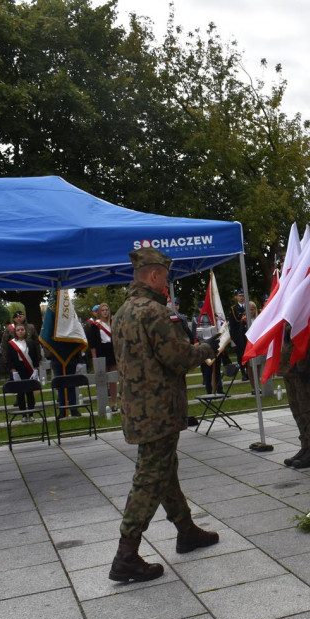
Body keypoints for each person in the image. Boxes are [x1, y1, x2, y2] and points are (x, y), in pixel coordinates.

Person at [109, 247, 217, 583]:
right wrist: (207, 349)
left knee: (164, 469)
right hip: (158, 410)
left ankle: (186, 530)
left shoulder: (122, 312)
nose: (166, 282)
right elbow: (176, 356)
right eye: (165, 276)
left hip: (138, 409)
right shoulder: (153, 312)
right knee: (149, 478)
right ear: (154, 275)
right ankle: (126, 554)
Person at [280, 327, 310, 469]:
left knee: (309, 410)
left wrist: (303, 366)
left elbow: (308, 337)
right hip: (291, 371)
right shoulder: (289, 316)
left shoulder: (304, 314)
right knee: (298, 410)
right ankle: (305, 446)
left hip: (303, 371)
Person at [4, 323, 42, 422]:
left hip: (29, 369)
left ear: (25, 331)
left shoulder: (31, 343)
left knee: (30, 393)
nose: (20, 331)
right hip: (17, 370)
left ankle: (31, 414)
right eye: (18, 330)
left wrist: (35, 369)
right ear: (15, 332)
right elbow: (9, 358)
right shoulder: (11, 344)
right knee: (20, 393)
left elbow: (35, 356)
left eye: (22, 329)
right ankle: (23, 415)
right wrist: (13, 371)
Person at [86, 302, 118, 411]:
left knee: (113, 379)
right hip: (101, 353)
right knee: (102, 380)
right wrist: (94, 358)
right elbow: (93, 344)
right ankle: (104, 404)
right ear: (99, 312)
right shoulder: (95, 325)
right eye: (103, 310)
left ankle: (114, 403)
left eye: (107, 310)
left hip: (112, 352)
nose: (105, 312)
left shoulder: (113, 323)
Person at [228, 289, 249, 380]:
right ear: (236, 297)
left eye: (242, 295)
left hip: (248, 334)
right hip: (239, 336)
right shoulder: (233, 309)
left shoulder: (249, 306)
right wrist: (233, 338)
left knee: (249, 353)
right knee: (241, 355)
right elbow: (232, 324)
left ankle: (249, 372)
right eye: (239, 295)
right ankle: (244, 373)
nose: (241, 297)